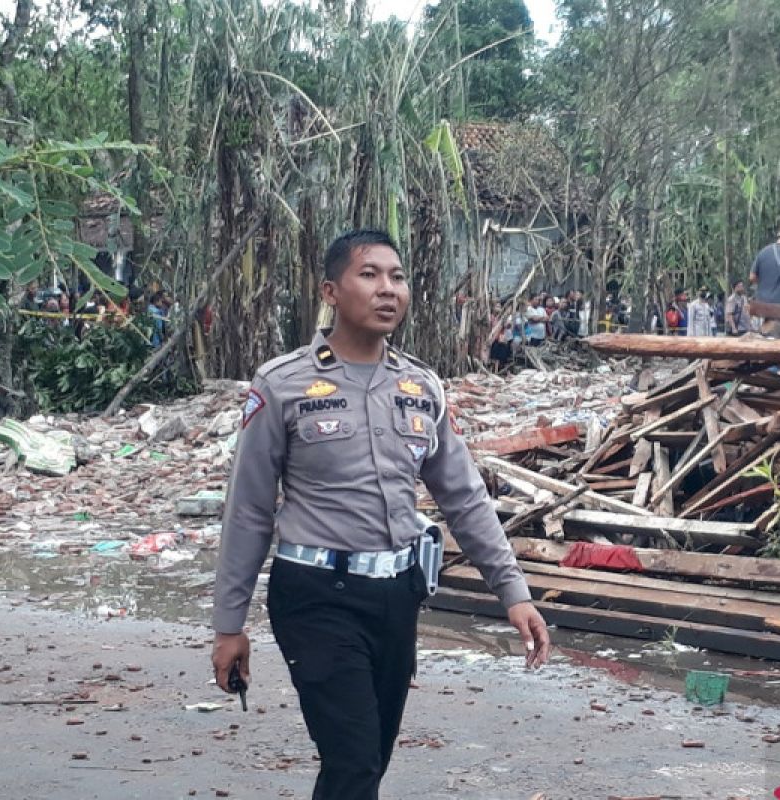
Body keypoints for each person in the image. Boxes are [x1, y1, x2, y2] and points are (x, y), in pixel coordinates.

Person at [210, 229, 550, 800]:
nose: (387, 289)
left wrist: (513, 593)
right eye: (369, 275)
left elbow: (464, 498)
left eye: (397, 276)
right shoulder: (283, 384)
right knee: (354, 761)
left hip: (396, 597)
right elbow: (247, 510)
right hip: (315, 595)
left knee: (369, 760)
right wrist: (229, 626)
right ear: (331, 291)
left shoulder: (419, 387)